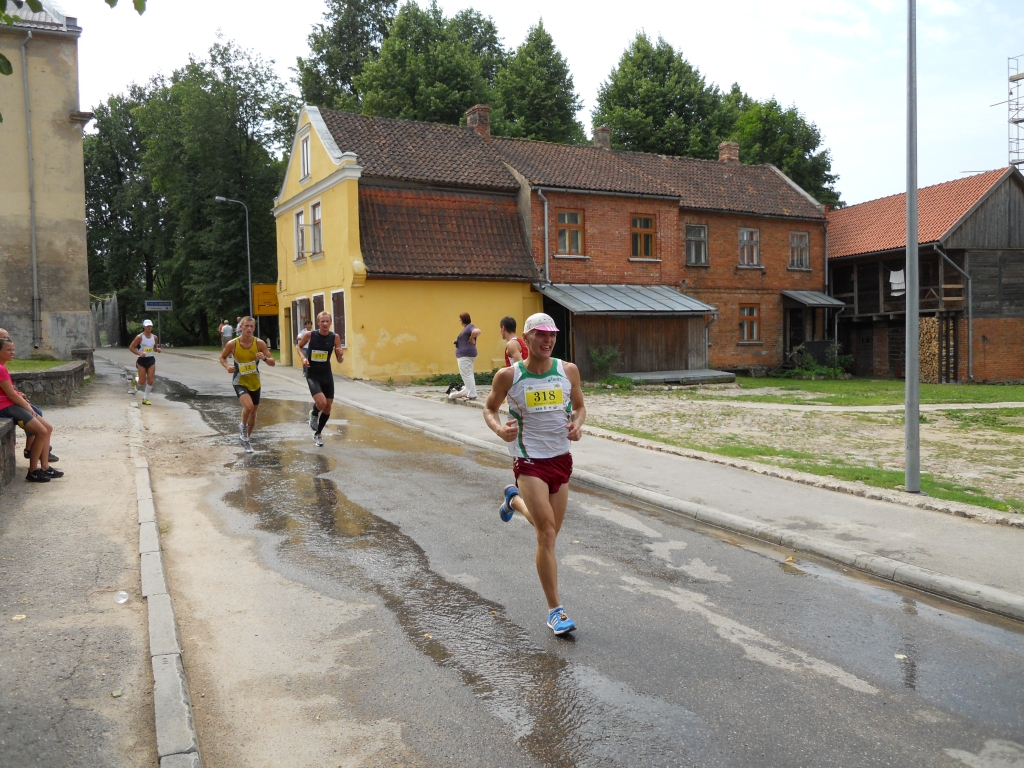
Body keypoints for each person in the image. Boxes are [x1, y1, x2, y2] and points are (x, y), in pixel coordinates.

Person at [483, 313, 586, 636]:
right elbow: (489, 408)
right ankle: (556, 610)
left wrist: (577, 425)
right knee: (546, 534)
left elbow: (580, 406)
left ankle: (513, 503)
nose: (548, 339)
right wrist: (500, 429)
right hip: (529, 462)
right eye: (540, 334)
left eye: (552, 334)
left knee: (551, 530)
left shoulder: (567, 371)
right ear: (525, 339)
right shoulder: (508, 377)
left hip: (561, 461)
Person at [0, 336, 62, 482]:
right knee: (41, 431)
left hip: (10, 402)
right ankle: (33, 471)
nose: (12, 352)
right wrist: (27, 406)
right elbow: (10, 395)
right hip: (6, 406)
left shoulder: (3, 367)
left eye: (13, 349)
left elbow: (10, 391)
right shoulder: (1, 368)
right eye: (8, 349)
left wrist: (19, 395)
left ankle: (45, 467)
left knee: (47, 428)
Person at [219, 316, 275, 452]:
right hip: (239, 380)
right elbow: (222, 357)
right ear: (241, 328)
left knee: (254, 413)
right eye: (246, 326)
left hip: (255, 381)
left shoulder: (259, 343)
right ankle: (243, 425)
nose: (249, 329)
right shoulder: (233, 344)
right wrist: (227, 367)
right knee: (248, 407)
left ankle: (246, 439)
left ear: (254, 328)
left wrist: (265, 358)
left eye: (251, 326)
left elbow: (272, 362)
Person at [295, 311, 344, 447]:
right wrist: (303, 358)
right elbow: (298, 347)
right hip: (312, 373)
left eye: (327, 321)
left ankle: (318, 434)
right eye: (322, 321)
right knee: (321, 404)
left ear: (330, 323)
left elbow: (339, 360)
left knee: (328, 407)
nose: (325, 324)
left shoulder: (335, 337)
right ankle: (314, 412)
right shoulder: (310, 335)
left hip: (326, 374)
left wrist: (340, 355)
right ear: (318, 323)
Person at [448, 312, 481, 401]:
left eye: (460, 319)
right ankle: (469, 391)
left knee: (466, 374)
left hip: (465, 355)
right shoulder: (467, 328)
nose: (459, 321)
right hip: (467, 355)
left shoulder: (469, 327)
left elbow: (477, 331)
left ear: (463, 320)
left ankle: (471, 394)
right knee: (468, 374)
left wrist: (471, 338)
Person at [128, 319, 161, 405]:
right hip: (142, 360)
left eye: (150, 326)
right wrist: (139, 353)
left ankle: (145, 398)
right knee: (142, 382)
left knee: (150, 379)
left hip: (151, 359)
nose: (149, 327)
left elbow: (154, 347)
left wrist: (157, 349)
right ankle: (136, 378)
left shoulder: (155, 337)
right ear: (144, 327)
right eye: (147, 326)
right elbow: (131, 347)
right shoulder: (139, 337)